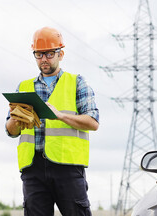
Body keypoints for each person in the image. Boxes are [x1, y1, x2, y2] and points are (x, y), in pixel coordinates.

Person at [5, 26, 99, 216]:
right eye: (38, 55)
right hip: (33, 169)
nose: (43, 60)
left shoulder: (77, 82)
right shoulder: (24, 87)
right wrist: (16, 118)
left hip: (68, 167)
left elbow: (93, 122)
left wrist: (60, 115)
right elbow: (10, 131)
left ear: (60, 54)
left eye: (48, 54)